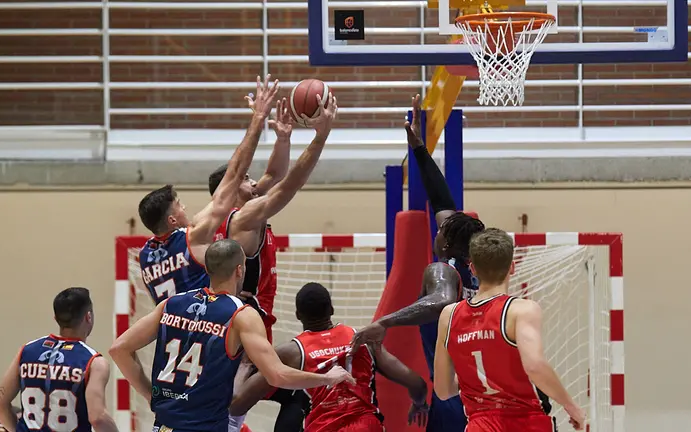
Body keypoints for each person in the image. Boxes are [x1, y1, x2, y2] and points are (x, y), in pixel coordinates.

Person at [109, 239, 354, 432]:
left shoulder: (171, 304)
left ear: (207, 268)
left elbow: (118, 349)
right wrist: (326, 378)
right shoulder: (240, 315)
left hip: (163, 426)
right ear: (240, 270)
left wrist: (151, 395)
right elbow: (277, 374)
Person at [350, 94, 485, 432]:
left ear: (448, 242)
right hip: (483, 395)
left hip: (453, 398)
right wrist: (420, 149)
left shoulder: (441, 270)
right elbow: (442, 199)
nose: (436, 230)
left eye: (440, 229)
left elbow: (439, 300)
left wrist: (386, 322)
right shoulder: (478, 273)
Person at [210, 93, 337, 432]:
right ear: (236, 188)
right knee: (234, 414)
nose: (258, 182)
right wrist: (320, 137)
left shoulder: (226, 216)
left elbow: (274, 174)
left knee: (290, 396)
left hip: (242, 331)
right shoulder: (244, 220)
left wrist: (283, 137)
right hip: (241, 336)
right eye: (249, 179)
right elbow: (288, 184)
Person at [137, 75, 280, 305]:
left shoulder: (144, 257)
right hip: (205, 330)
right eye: (179, 205)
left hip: (171, 335)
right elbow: (234, 173)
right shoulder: (192, 237)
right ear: (173, 220)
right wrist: (258, 118)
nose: (184, 208)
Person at [433, 228, 585, 431]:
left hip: (480, 424)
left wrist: (473, 381)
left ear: (473, 269)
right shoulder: (521, 310)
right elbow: (535, 366)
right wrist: (571, 406)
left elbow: (442, 390)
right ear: (512, 267)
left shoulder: (448, 315)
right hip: (526, 422)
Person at [229, 282, 429, 432]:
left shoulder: (291, 352)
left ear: (298, 315)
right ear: (331, 310)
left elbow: (237, 405)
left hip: (323, 427)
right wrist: (419, 403)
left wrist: (246, 364)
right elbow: (416, 383)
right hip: (366, 426)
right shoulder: (361, 339)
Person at [0, 288, 118, 432]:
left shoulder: (27, 351)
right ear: (88, 317)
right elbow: (98, 418)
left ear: (56, 319)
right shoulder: (94, 361)